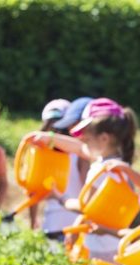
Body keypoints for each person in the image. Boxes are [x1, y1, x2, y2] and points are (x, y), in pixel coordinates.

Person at [25, 97, 140, 265]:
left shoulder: (104, 171)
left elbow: (85, 206)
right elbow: (80, 149)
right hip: (108, 241)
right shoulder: (111, 160)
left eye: (86, 136)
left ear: (104, 138)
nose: (82, 140)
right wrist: (48, 138)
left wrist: (60, 197)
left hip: (104, 246)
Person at [28, 98, 91, 251]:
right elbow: (87, 191)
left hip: (52, 223)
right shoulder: (80, 153)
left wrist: (33, 221)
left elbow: (32, 191)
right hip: (77, 225)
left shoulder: (40, 154)